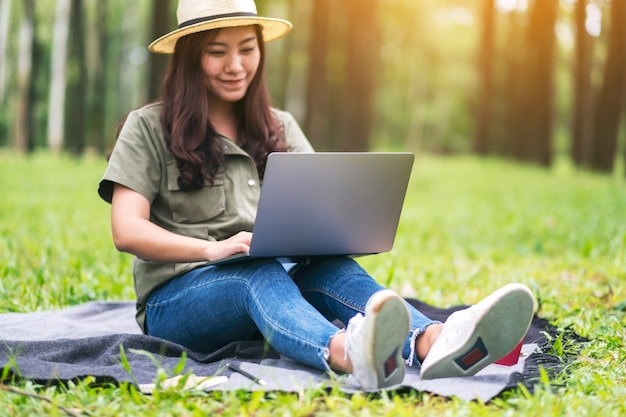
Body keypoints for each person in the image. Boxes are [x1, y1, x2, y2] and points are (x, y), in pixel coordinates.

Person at [98, 0, 536, 389]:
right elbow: (126, 230)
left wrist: (341, 229)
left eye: (247, 50)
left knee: (326, 265)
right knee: (258, 272)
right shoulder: (148, 127)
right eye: (218, 52)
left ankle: (432, 342)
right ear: (190, 59)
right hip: (177, 301)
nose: (236, 65)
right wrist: (212, 250)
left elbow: (320, 208)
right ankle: (348, 353)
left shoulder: (279, 126)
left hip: (271, 290)